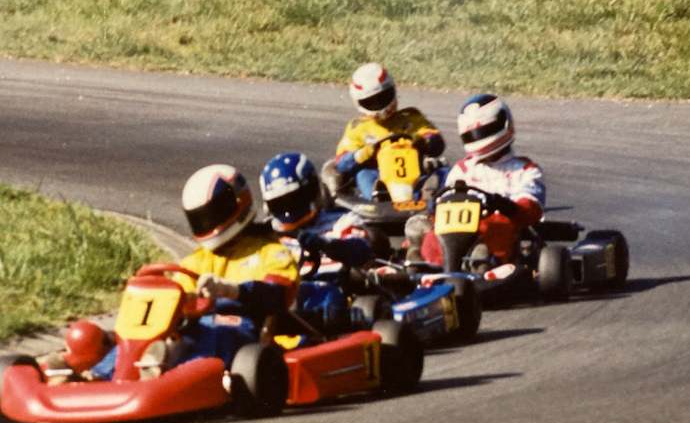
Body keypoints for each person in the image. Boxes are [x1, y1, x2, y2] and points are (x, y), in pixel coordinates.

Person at [82, 164, 298, 380]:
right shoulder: (196, 260)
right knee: (145, 333)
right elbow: (178, 295)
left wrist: (231, 290)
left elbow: (278, 294)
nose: (207, 222)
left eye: (212, 213)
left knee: (215, 331)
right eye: (200, 217)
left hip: (243, 329)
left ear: (236, 202)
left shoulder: (272, 252)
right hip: (195, 327)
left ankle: (169, 374)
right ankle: (100, 375)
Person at [410, 93, 546, 265]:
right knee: (432, 227)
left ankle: (483, 262)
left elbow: (531, 209)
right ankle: (423, 263)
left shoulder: (525, 170)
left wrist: (507, 206)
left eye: (484, 131)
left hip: (500, 230)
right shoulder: (462, 169)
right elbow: (446, 202)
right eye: (473, 134)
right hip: (457, 227)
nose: (480, 138)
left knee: (498, 224)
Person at [259, 152, 374, 329]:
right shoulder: (267, 232)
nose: (289, 209)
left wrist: (327, 245)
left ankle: (311, 343)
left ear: (312, 190)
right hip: (277, 291)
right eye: (280, 203)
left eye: (295, 200)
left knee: (326, 298)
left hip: (325, 287)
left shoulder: (342, 220)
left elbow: (361, 251)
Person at [332, 62, 446, 201]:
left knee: (444, 170)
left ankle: (425, 195)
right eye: (371, 102)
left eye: (383, 97)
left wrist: (424, 141)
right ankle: (377, 196)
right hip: (378, 174)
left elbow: (435, 141)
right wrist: (362, 154)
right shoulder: (358, 128)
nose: (380, 107)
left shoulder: (410, 118)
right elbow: (341, 163)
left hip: (415, 174)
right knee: (363, 173)